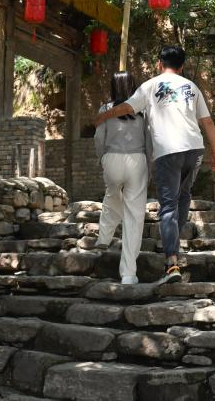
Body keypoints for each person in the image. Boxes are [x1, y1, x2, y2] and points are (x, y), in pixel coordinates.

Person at [94, 45, 215, 283]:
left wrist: (103, 116)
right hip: (194, 150)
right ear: (182, 66)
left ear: (159, 64)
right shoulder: (191, 87)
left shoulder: (150, 85)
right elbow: (208, 122)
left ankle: (172, 264)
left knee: (169, 206)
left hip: (168, 152)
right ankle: (173, 245)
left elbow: (126, 107)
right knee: (183, 196)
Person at [93, 71, 149, 284]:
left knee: (112, 193)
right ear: (133, 86)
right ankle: (128, 273)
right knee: (134, 216)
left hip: (112, 158)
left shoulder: (105, 110)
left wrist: (102, 158)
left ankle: (104, 236)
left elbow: (99, 137)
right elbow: (149, 139)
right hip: (137, 160)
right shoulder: (142, 110)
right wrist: (150, 165)